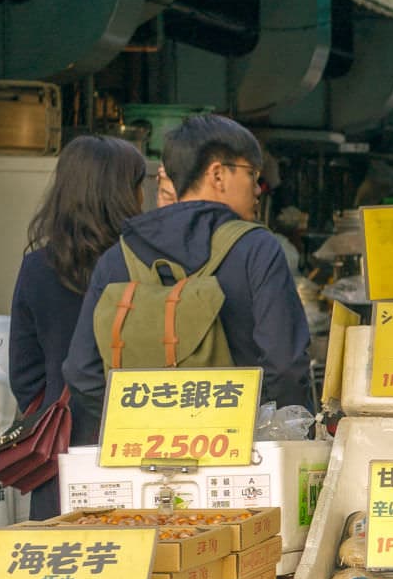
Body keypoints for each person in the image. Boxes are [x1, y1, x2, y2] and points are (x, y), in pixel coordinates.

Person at [64, 114, 313, 426]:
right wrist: (277, 434)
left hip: (141, 444)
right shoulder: (257, 248)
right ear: (218, 175)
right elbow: (285, 365)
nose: (258, 188)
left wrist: (133, 428)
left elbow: (81, 371)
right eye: (252, 173)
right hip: (238, 447)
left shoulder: (118, 256)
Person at [8, 135, 148, 518]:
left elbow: (24, 375)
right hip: (139, 440)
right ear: (123, 194)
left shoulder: (37, 268)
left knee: (63, 549)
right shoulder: (142, 267)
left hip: (61, 448)